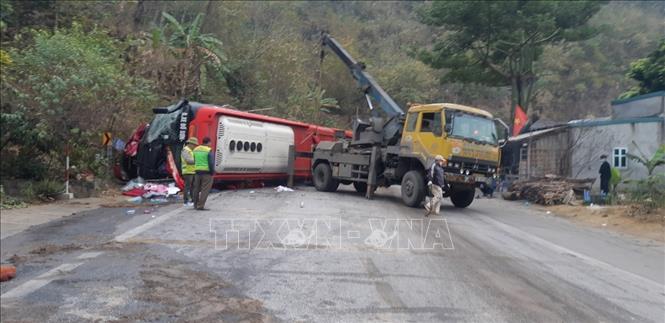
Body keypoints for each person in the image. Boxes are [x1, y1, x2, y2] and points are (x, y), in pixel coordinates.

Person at [192, 137, 215, 210]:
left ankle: (195, 205)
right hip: (206, 172)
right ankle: (200, 206)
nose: (210, 144)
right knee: (205, 189)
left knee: (196, 189)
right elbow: (211, 163)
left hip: (197, 171)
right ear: (208, 142)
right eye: (210, 143)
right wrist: (212, 172)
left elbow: (194, 159)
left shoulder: (195, 149)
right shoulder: (208, 150)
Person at [180, 137, 198, 207]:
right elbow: (188, 160)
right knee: (187, 187)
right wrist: (197, 161)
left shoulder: (190, 150)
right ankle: (185, 201)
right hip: (187, 171)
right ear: (190, 144)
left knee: (192, 187)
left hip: (192, 171)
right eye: (194, 145)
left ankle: (192, 200)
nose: (195, 146)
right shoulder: (186, 150)